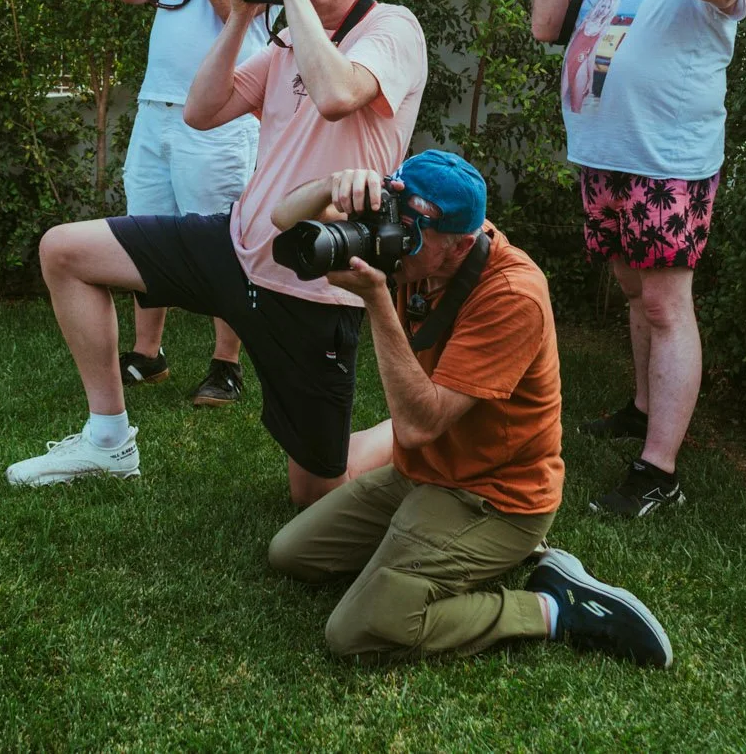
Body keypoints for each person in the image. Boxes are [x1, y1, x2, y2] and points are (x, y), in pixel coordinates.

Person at [8, 0, 429, 507]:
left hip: (312, 279)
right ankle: (108, 440)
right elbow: (201, 111)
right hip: (233, 246)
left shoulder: (393, 28)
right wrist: (240, 15)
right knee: (66, 250)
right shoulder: (288, 43)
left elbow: (338, 92)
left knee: (314, 495)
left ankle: (425, 425)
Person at [264, 154, 673, 666]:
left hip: (496, 497)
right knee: (291, 554)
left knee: (356, 631)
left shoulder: (511, 294)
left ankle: (553, 607)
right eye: (395, 225)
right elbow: (284, 220)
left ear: (460, 244)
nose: (395, 242)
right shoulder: (417, 247)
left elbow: (417, 426)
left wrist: (376, 300)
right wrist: (332, 182)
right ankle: (438, 555)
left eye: (411, 237)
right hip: (424, 474)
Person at [528, 0, 746, 519]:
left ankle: (659, 468)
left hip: (667, 161)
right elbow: (543, 26)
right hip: (605, 151)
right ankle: (642, 406)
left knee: (664, 300)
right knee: (630, 287)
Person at [114, 0, 280, 408]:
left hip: (221, 115)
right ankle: (147, 354)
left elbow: (230, 10)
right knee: (144, 232)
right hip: (157, 106)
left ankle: (226, 364)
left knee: (222, 238)